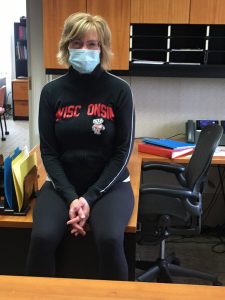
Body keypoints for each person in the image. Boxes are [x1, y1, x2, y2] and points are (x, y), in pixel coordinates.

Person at [25, 12, 135, 281]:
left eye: (92, 44)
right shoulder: (51, 92)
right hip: (63, 184)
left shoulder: (120, 90)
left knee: (110, 239)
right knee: (41, 238)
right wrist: (72, 197)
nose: (84, 49)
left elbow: (123, 151)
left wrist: (89, 197)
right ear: (66, 46)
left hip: (110, 186)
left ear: (102, 48)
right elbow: (49, 152)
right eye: (77, 43)